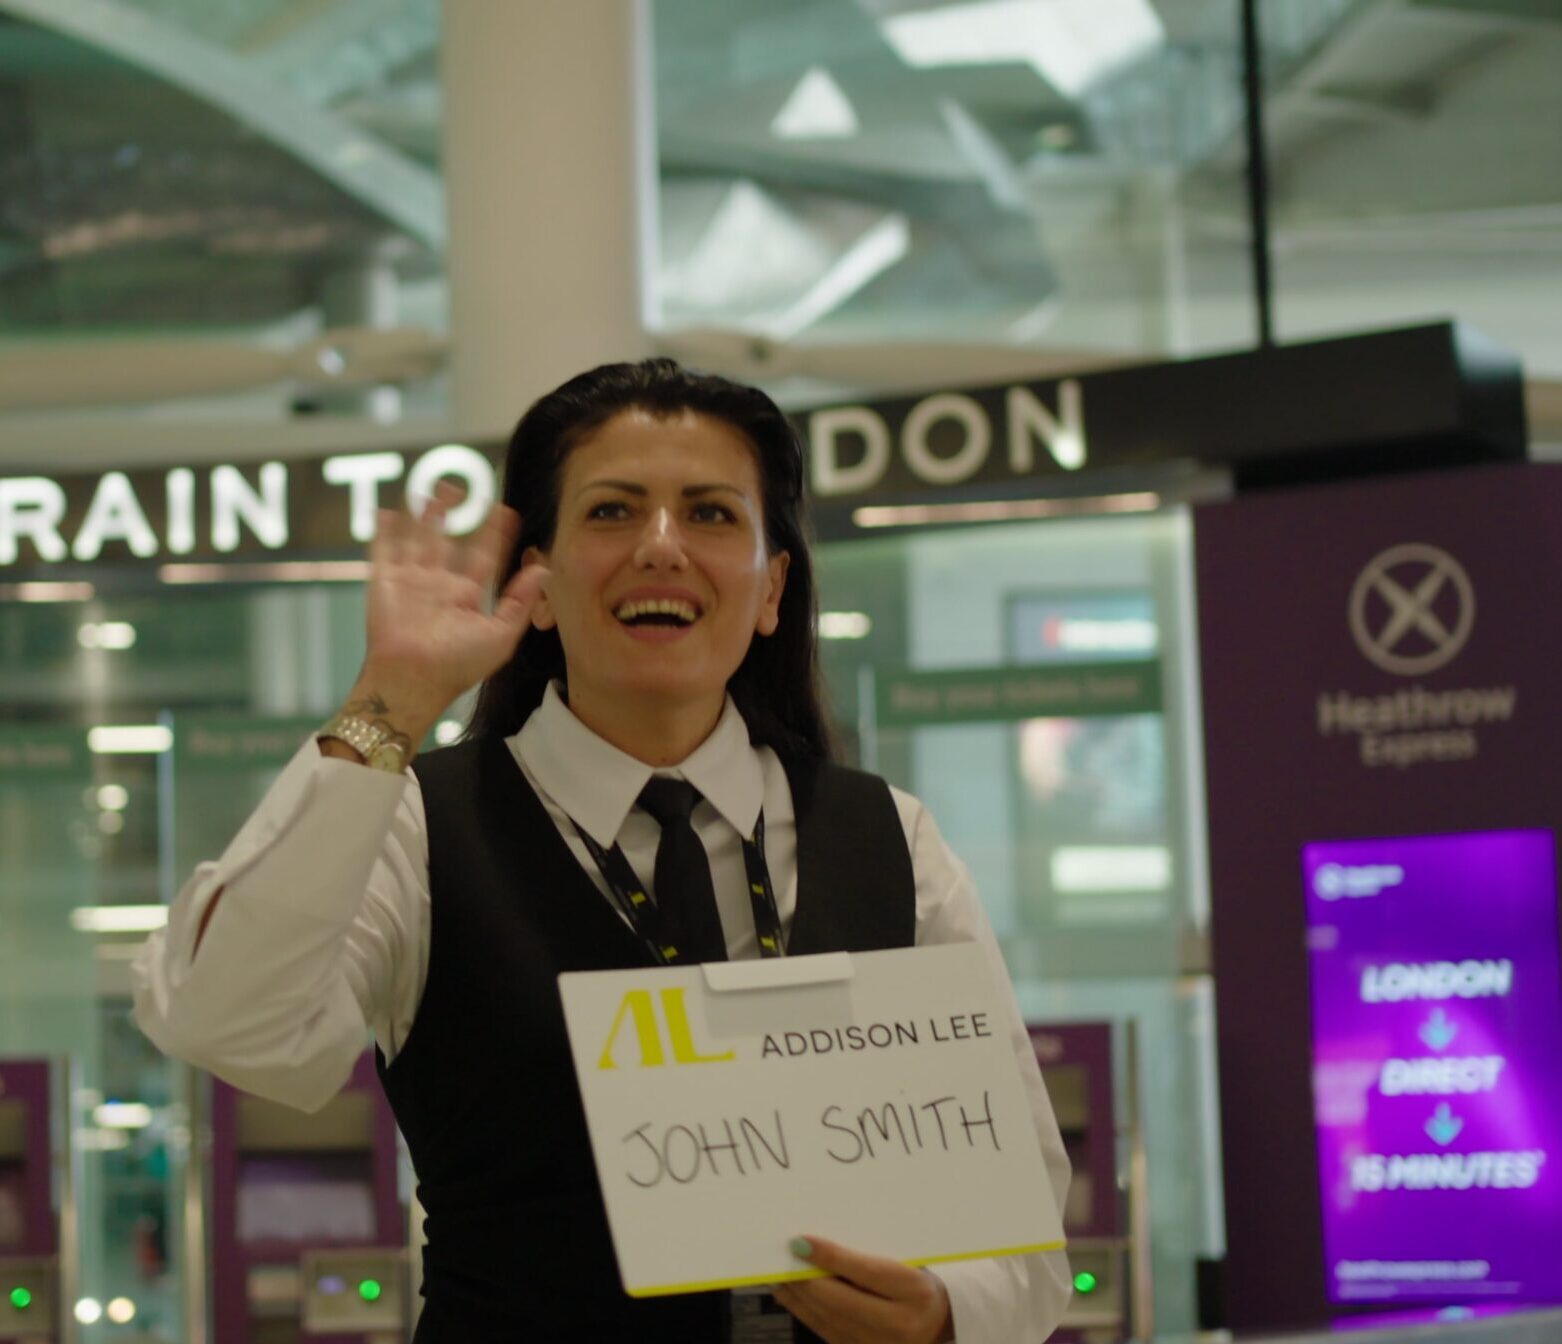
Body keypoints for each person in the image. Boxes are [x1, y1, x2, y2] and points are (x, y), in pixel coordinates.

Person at [133, 359, 1071, 1342]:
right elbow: (227, 1023)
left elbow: (1021, 1230)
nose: (660, 548)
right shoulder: (418, 825)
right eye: (612, 512)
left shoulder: (888, 836)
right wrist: (389, 706)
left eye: (709, 514)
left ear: (770, 589)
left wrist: (941, 1313)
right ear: (533, 584)